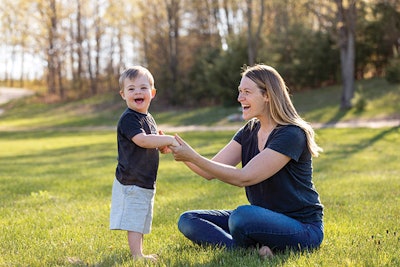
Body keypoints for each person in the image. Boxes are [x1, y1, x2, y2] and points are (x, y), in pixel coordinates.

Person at [170, 64, 324, 258]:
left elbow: (245, 177)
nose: (240, 98)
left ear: (267, 95)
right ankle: (251, 250)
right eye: (240, 91)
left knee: (242, 216)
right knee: (188, 219)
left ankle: (251, 245)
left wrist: (192, 156)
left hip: (302, 227)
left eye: (247, 92)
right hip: (260, 219)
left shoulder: (291, 134)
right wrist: (176, 148)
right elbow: (209, 171)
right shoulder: (249, 130)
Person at [110, 66, 179, 261]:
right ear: (123, 94)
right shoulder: (129, 119)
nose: (138, 92)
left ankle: (139, 251)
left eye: (143, 88)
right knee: (135, 219)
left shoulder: (148, 118)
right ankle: (137, 255)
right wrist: (168, 141)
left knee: (141, 217)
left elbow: (151, 140)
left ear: (152, 93)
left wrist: (162, 145)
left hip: (145, 179)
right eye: (131, 89)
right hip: (131, 180)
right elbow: (142, 140)